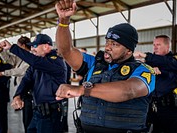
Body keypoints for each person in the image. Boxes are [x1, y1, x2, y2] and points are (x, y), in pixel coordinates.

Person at [55, 1, 156, 133]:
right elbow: (66, 51)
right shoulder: (94, 64)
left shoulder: (143, 70)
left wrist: (82, 90)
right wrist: (63, 20)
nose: (107, 47)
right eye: (107, 42)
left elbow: (128, 90)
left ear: (129, 51)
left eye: (114, 44)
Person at [0, 34, 68, 133]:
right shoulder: (37, 63)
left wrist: (12, 48)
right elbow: (26, 80)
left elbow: (36, 62)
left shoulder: (56, 61)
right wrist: (18, 95)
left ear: (46, 46)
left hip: (50, 114)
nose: (32, 49)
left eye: (35, 46)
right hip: (37, 112)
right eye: (31, 46)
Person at [134, 35, 177, 133]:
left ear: (167, 46)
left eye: (158, 44)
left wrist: (145, 56)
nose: (155, 47)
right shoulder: (150, 63)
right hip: (149, 107)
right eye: (154, 45)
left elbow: (167, 66)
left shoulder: (172, 62)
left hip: (168, 109)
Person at [0, 36, 33, 133]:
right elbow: (9, 60)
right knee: (26, 121)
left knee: (29, 122)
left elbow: (21, 71)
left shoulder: (30, 58)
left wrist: (4, 73)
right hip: (23, 92)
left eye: (18, 46)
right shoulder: (20, 57)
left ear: (23, 46)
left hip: (30, 94)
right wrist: (1, 51)